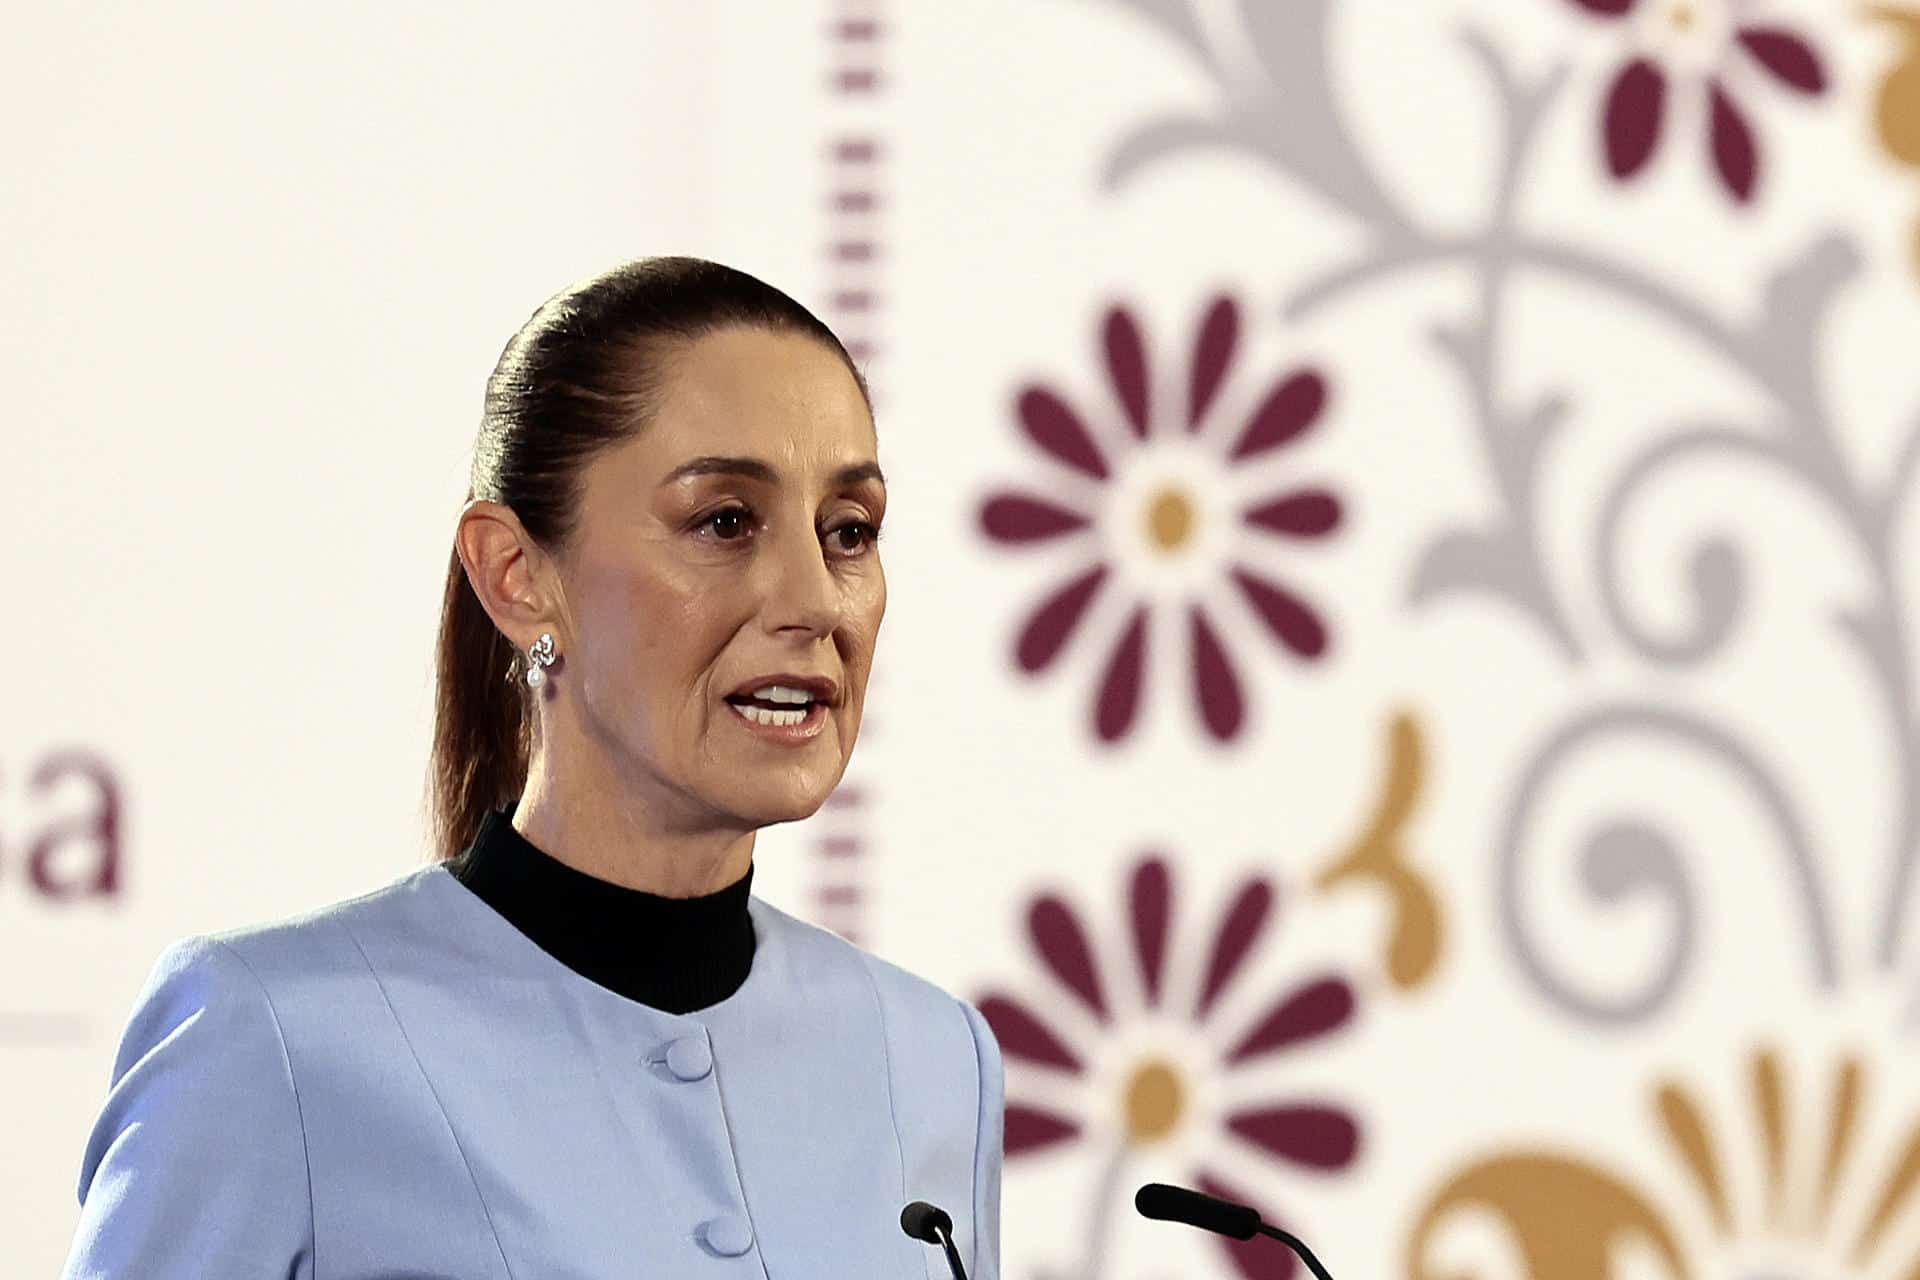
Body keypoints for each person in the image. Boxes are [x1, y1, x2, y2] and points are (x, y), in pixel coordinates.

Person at [59, 256, 1004, 1278]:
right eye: (724, 521)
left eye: (849, 531)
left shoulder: (934, 1055)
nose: (815, 600)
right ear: (515, 575)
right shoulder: (269, 1038)